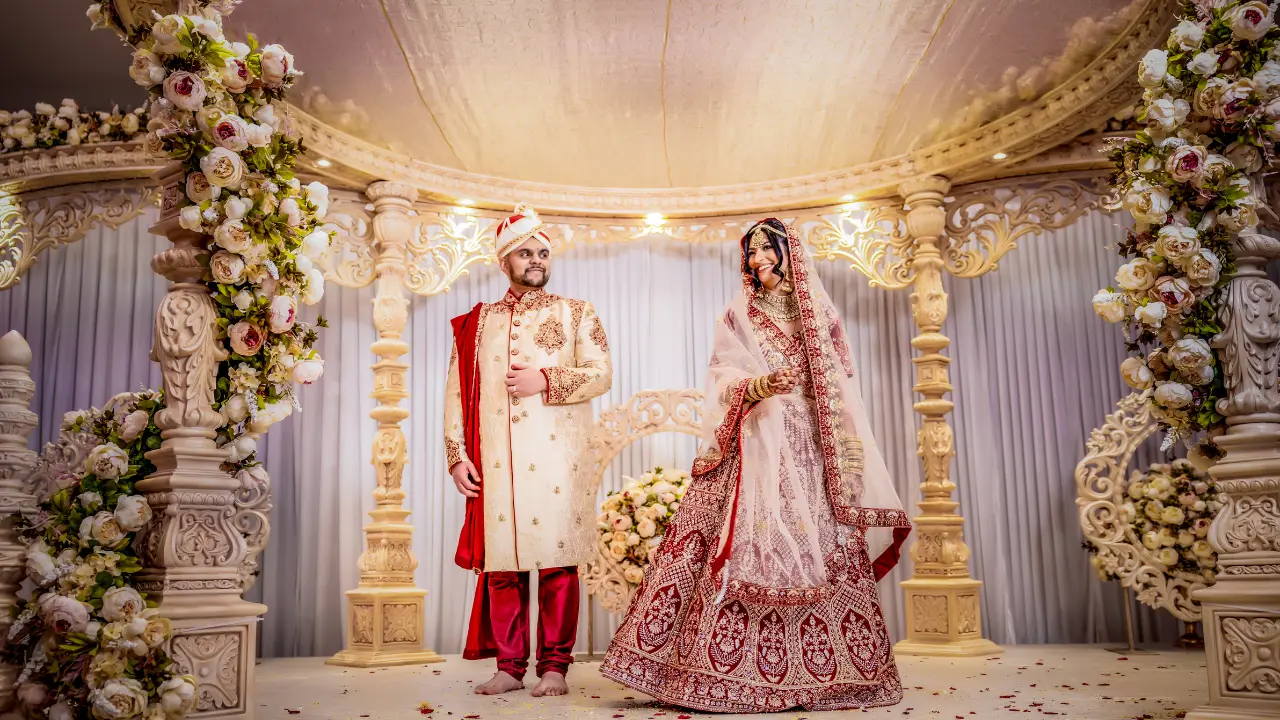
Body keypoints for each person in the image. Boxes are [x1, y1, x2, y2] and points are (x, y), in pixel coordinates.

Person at [600, 218, 911, 712]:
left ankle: (832, 676)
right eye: (751, 250)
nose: (758, 256)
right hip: (754, 446)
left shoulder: (820, 314)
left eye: (768, 247)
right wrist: (760, 387)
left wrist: (849, 459)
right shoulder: (737, 314)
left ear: (790, 252)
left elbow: (842, 386)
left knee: (824, 550)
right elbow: (721, 375)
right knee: (735, 544)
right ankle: (716, 676)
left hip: (813, 451)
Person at [444, 203, 612, 697]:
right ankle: (509, 667)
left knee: (559, 563)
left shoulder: (577, 312)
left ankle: (556, 667)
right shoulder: (478, 324)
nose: (536, 260)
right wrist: (457, 455)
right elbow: (455, 392)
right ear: (504, 262)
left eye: (542, 252)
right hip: (497, 461)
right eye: (525, 253)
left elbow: (602, 373)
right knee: (503, 564)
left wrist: (546, 379)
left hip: (560, 461)